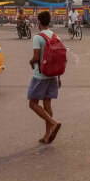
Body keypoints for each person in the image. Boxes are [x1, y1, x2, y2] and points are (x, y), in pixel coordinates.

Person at [28, 10, 61, 144]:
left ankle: (53, 123)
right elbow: (58, 58)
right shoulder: (54, 35)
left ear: (39, 21)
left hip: (40, 75)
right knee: (47, 103)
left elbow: (36, 58)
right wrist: (58, 77)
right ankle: (47, 135)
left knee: (32, 103)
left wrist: (31, 62)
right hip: (53, 75)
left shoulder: (38, 37)